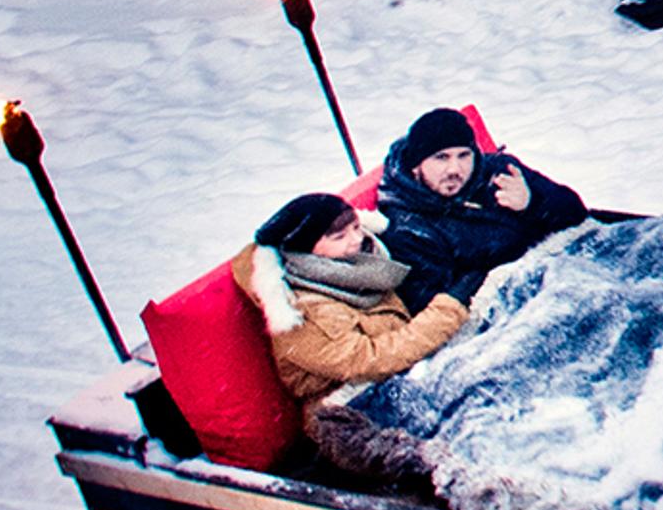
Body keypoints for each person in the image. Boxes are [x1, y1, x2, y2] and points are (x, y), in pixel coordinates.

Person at [239, 192, 470, 405]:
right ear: (305, 252)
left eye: (357, 227)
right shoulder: (301, 311)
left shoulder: (359, 266)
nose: (357, 239)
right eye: (340, 236)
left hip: (402, 376)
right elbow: (370, 360)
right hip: (349, 408)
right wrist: (446, 312)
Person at [373, 108, 585, 312]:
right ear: (416, 166)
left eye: (463, 155)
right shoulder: (410, 228)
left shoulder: (500, 172)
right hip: (521, 300)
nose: (455, 169)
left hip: (567, 267)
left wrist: (532, 203)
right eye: (441, 157)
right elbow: (437, 306)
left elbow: (576, 212)